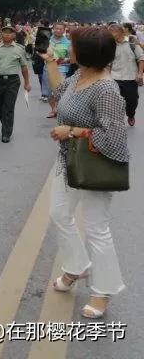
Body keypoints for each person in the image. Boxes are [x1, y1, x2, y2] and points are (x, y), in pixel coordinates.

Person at [43, 26, 130, 319]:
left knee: (96, 229)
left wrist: (72, 131)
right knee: (58, 214)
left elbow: (114, 138)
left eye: (74, 45)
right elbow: (57, 94)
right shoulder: (79, 76)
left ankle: (102, 291)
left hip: (95, 165)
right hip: (68, 161)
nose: (69, 48)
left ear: (85, 53)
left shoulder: (106, 89)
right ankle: (76, 267)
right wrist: (50, 63)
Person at [0, 20, 32, 142]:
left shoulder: (20, 49)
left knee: (8, 107)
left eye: (10, 33)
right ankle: (5, 124)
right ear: (1, 34)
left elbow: (24, 68)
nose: (7, 35)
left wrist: (27, 82)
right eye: (4, 32)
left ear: (14, 35)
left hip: (12, 81)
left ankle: (6, 133)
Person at [108, 23, 144, 126]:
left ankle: (131, 114)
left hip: (131, 78)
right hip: (115, 78)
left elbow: (141, 58)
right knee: (115, 101)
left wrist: (140, 73)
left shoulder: (132, 43)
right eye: (110, 31)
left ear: (121, 32)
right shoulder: (110, 45)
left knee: (132, 101)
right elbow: (108, 64)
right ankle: (117, 121)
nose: (111, 34)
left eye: (113, 31)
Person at [46, 21, 72, 118]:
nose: (58, 30)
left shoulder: (68, 42)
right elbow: (40, 52)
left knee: (58, 90)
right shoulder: (47, 40)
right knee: (49, 92)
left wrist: (63, 60)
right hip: (48, 67)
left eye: (60, 29)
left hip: (62, 68)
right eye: (56, 28)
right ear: (53, 29)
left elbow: (71, 57)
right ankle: (53, 109)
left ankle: (60, 109)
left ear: (64, 30)